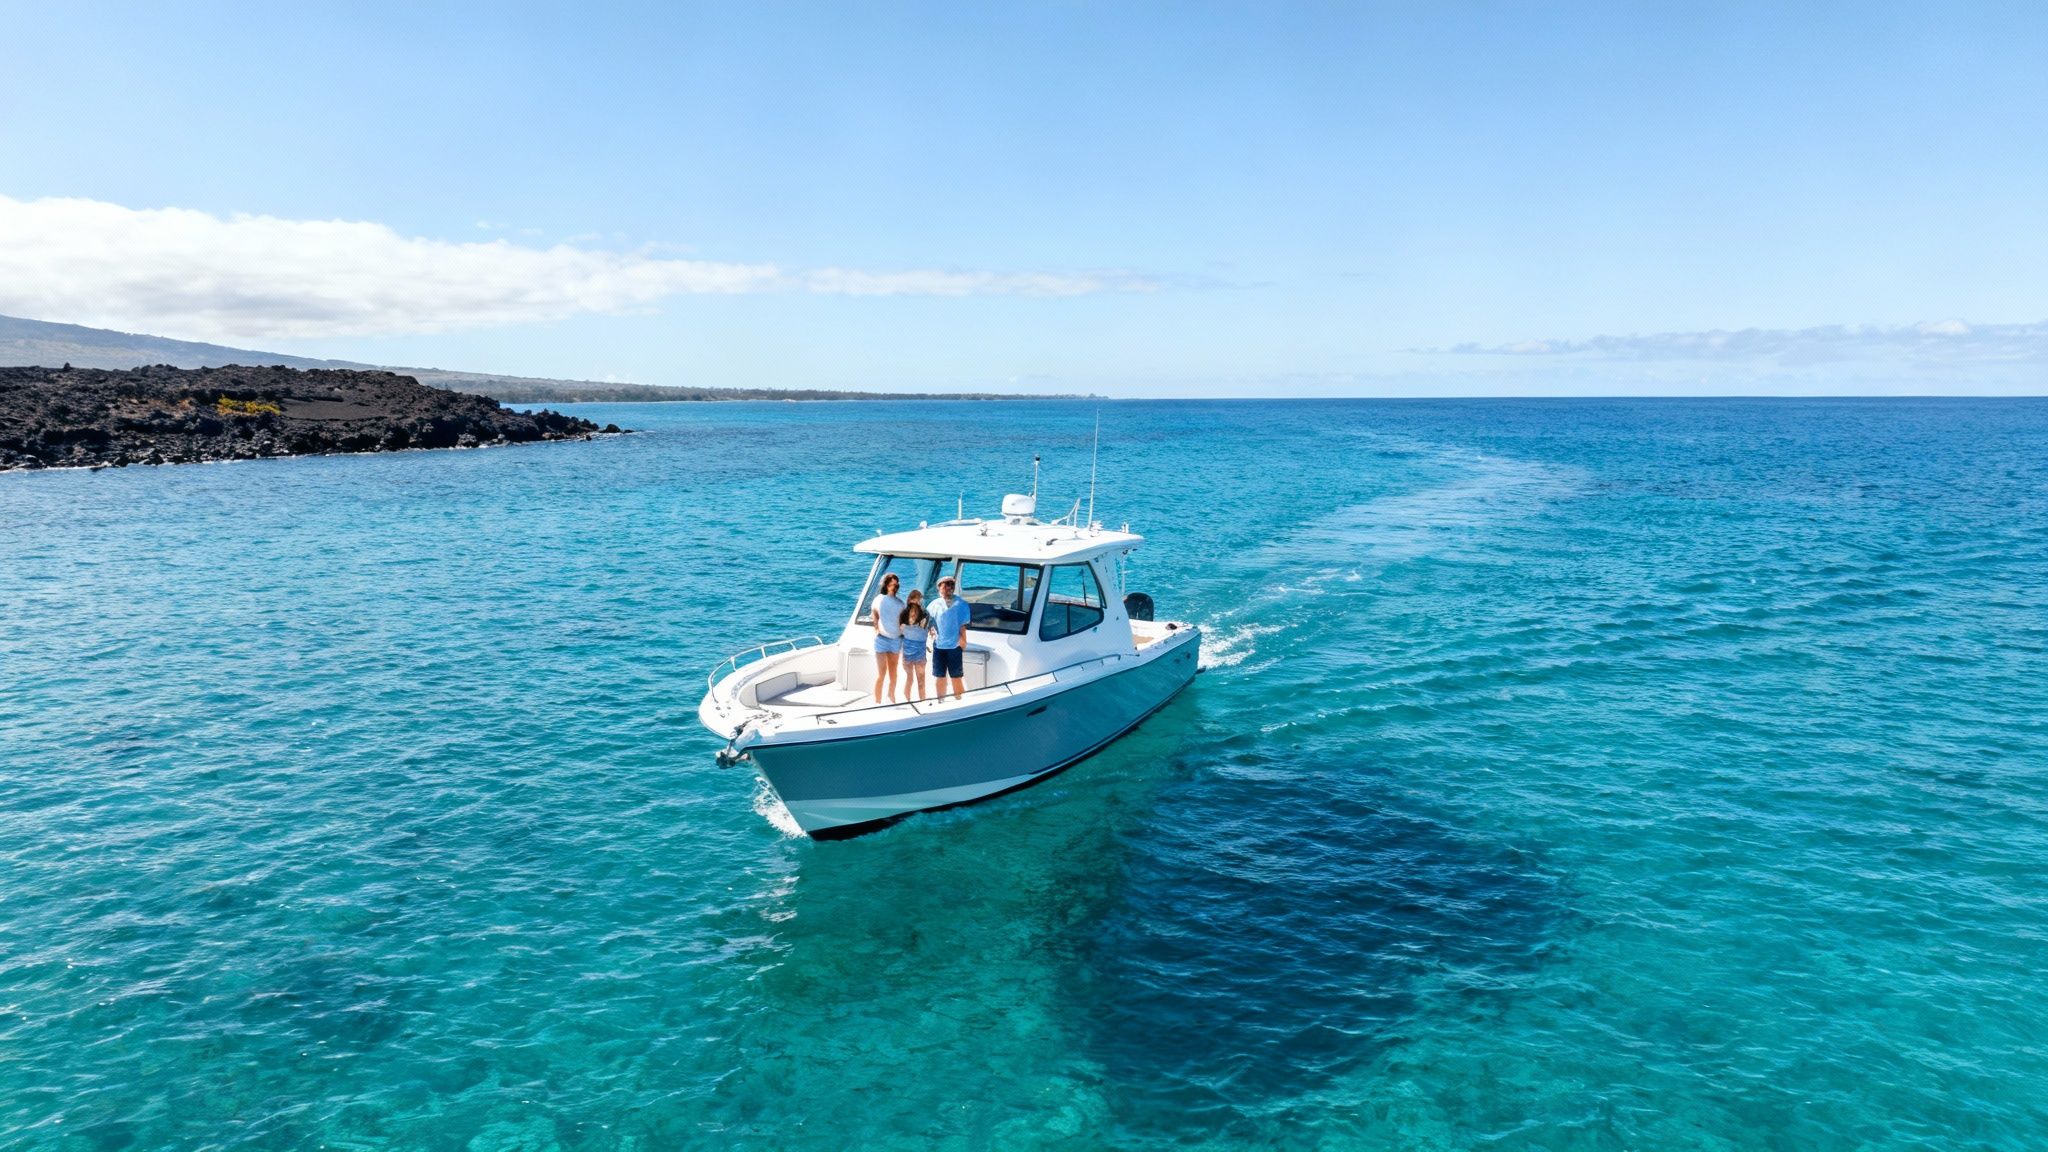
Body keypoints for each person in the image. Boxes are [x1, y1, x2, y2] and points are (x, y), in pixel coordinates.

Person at [927, 575, 971, 701]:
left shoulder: (961, 604)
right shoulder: (933, 605)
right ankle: (940, 701)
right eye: (946, 584)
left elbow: (962, 626)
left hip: (955, 646)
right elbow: (928, 623)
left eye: (951, 584)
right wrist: (930, 631)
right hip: (938, 646)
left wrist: (963, 641)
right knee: (939, 676)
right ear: (939, 588)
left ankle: (959, 700)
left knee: (956, 677)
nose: (949, 587)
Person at [870, 572, 904, 703]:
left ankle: (891, 697)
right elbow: (875, 616)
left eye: (896, 585)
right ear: (886, 585)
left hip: (895, 640)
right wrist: (877, 630)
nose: (893, 587)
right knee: (881, 674)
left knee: (893, 673)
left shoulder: (900, 604)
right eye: (891, 584)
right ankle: (877, 701)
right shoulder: (878, 599)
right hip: (881, 640)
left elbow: (902, 623)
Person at [898, 589, 931, 701]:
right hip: (912, 652)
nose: (918, 602)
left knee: (915, 679)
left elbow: (902, 631)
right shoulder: (905, 613)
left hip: (914, 651)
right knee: (914, 679)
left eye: (919, 600)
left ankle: (918, 700)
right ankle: (912, 700)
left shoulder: (924, 614)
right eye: (916, 600)